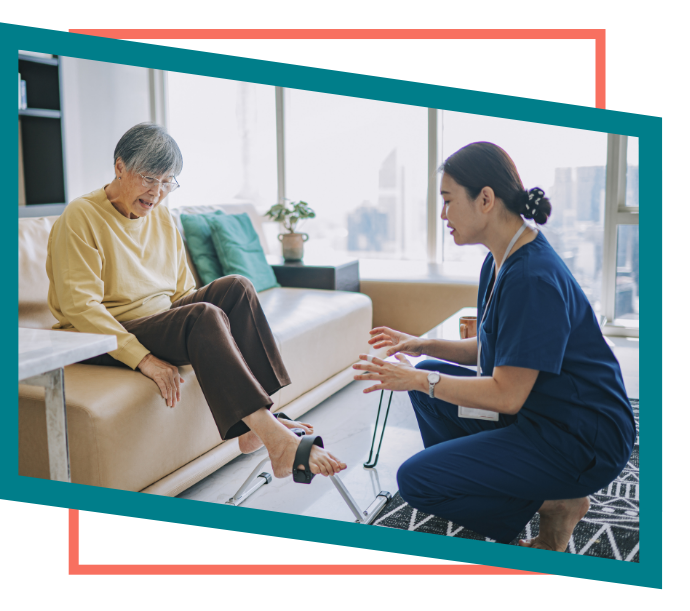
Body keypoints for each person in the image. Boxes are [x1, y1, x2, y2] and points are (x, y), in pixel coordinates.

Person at [352, 141, 635, 551]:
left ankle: (554, 501)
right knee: (433, 380)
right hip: (545, 416)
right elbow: (490, 349)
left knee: (417, 479)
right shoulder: (499, 260)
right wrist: (420, 344)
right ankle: (515, 485)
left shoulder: (531, 278)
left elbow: (507, 394)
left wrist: (416, 378)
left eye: (448, 201)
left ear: (485, 199)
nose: (443, 214)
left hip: (582, 440)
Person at [46, 122, 346, 481]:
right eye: (149, 178)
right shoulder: (80, 216)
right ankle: (275, 439)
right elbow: (81, 307)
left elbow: (179, 294)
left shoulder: (162, 218)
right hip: (101, 333)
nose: (157, 192)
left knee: (237, 286)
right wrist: (143, 359)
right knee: (202, 316)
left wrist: (200, 321)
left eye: (167, 181)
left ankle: (258, 427)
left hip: (156, 322)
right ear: (120, 167)